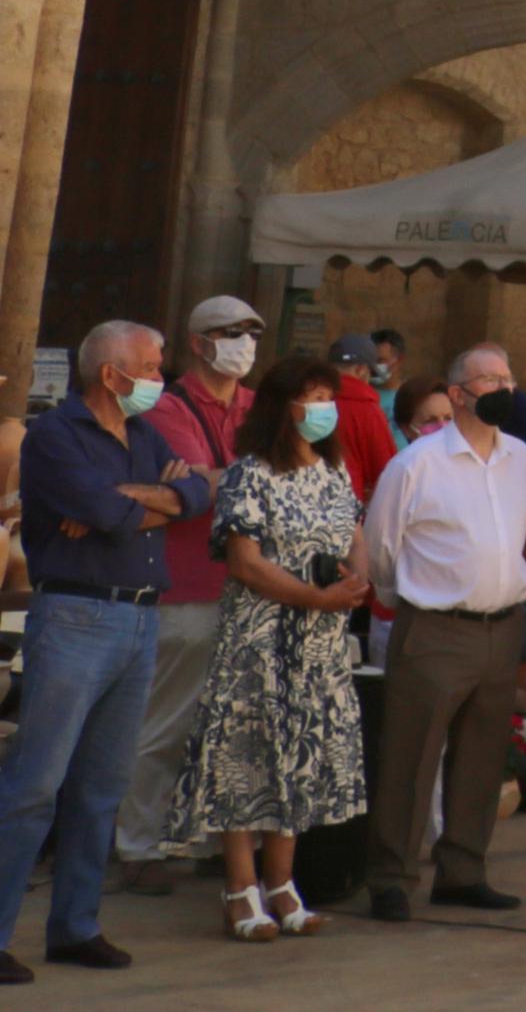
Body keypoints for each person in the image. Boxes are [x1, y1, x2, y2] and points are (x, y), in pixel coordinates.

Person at [0, 322, 216, 975]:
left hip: (140, 617)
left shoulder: (143, 433)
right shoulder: (55, 435)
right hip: (76, 614)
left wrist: (142, 499)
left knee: (102, 784)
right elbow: (102, 508)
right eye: (148, 366)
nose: (159, 376)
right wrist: (152, 500)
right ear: (110, 373)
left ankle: (76, 924)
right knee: (36, 782)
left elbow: (201, 488)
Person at [169, 356, 370, 942]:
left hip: (321, 645)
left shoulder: (335, 473)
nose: (323, 408)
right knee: (246, 761)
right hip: (259, 642)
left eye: (328, 396)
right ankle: (240, 889)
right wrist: (316, 596)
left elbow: (355, 536)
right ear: (282, 408)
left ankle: (283, 884)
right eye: (311, 396)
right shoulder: (249, 474)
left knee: (302, 761)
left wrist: (354, 582)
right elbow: (246, 563)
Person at [358, 337, 526, 920]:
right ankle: (391, 877)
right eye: (491, 379)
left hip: (502, 625)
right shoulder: (416, 463)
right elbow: (381, 549)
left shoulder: (521, 458)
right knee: (411, 759)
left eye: (509, 377)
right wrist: (407, 601)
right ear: (459, 394)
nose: (505, 388)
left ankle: (463, 871)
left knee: (483, 758)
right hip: (436, 628)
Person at [109, 294, 258, 896]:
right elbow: (197, 487)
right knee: (167, 724)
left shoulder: (256, 405)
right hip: (188, 586)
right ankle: (139, 845)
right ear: (199, 343)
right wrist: (240, 478)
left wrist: (218, 479)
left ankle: (224, 845)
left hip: (248, 585)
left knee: (236, 725)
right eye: (230, 331)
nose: (244, 342)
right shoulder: (169, 410)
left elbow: (222, 482)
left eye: (251, 331)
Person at [322, 335, 399, 497]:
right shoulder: (367, 411)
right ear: (360, 370)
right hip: (350, 506)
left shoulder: (306, 402)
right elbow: (387, 473)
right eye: (370, 373)